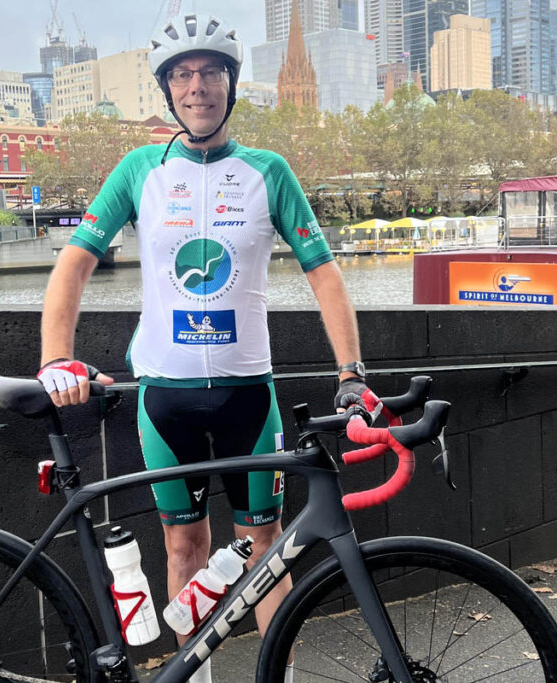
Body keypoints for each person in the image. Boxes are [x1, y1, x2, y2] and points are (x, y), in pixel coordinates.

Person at [38, 14, 370, 683]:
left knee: (264, 553)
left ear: (230, 83)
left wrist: (352, 372)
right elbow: (74, 261)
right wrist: (55, 358)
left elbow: (325, 274)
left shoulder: (267, 171)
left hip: (249, 396)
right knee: (183, 546)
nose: (197, 87)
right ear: (167, 89)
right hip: (165, 397)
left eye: (210, 72)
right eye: (183, 74)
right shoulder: (141, 170)